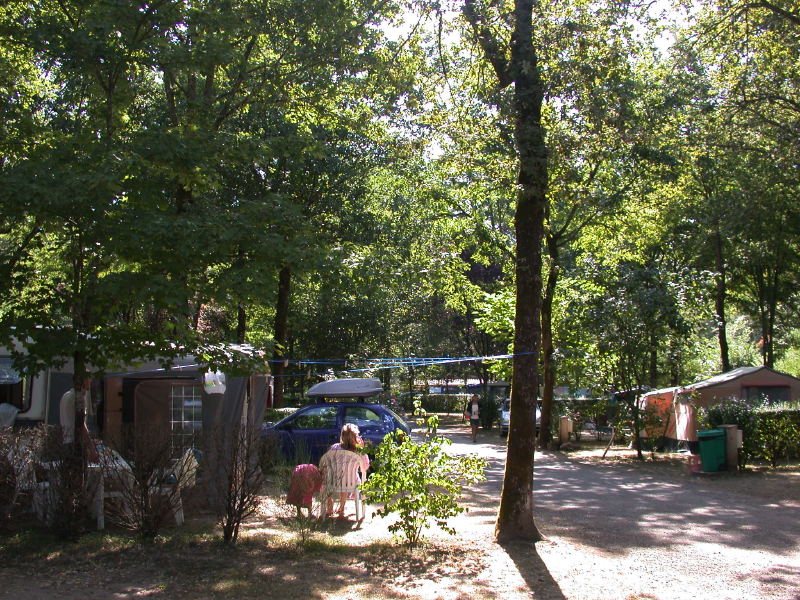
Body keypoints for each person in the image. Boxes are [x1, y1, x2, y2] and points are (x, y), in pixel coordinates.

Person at [319, 423, 369, 517]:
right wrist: (363, 449)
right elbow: (365, 467)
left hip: (333, 480)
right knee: (348, 477)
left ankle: (330, 505)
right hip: (351, 482)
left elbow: (325, 463)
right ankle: (341, 508)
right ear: (356, 438)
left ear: (342, 436)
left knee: (327, 478)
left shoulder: (334, 447)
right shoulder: (359, 451)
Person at [59, 378, 98, 461]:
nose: (91, 381)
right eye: (89, 378)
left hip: (66, 441)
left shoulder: (66, 395)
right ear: (84, 381)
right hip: (76, 443)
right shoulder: (78, 399)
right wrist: (91, 448)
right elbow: (81, 424)